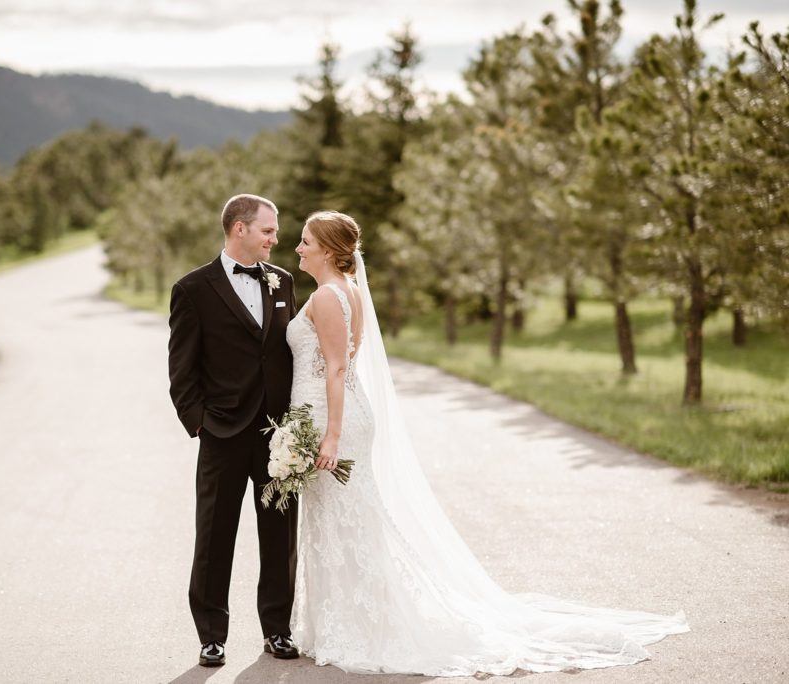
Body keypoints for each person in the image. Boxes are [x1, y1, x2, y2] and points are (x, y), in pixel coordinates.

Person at [287, 210, 689, 676]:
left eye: (306, 241)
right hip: (326, 420)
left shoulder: (329, 296)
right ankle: (342, 622)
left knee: (347, 522)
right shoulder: (344, 292)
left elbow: (337, 369)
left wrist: (332, 434)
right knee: (342, 522)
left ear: (331, 250)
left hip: (335, 424)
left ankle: (363, 625)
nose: (298, 248)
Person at [167, 194, 301, 668]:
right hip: (222, 434)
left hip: (279, 438)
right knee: (214, 537)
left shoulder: (283, 281)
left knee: (281, 537)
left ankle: (278, 630)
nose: (276, 238)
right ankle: (211, 636)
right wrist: (200, 423)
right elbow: (182, 370)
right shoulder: (192, 289)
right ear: (239, 229)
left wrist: (297, 423)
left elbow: (288, 354)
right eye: (268, 230)